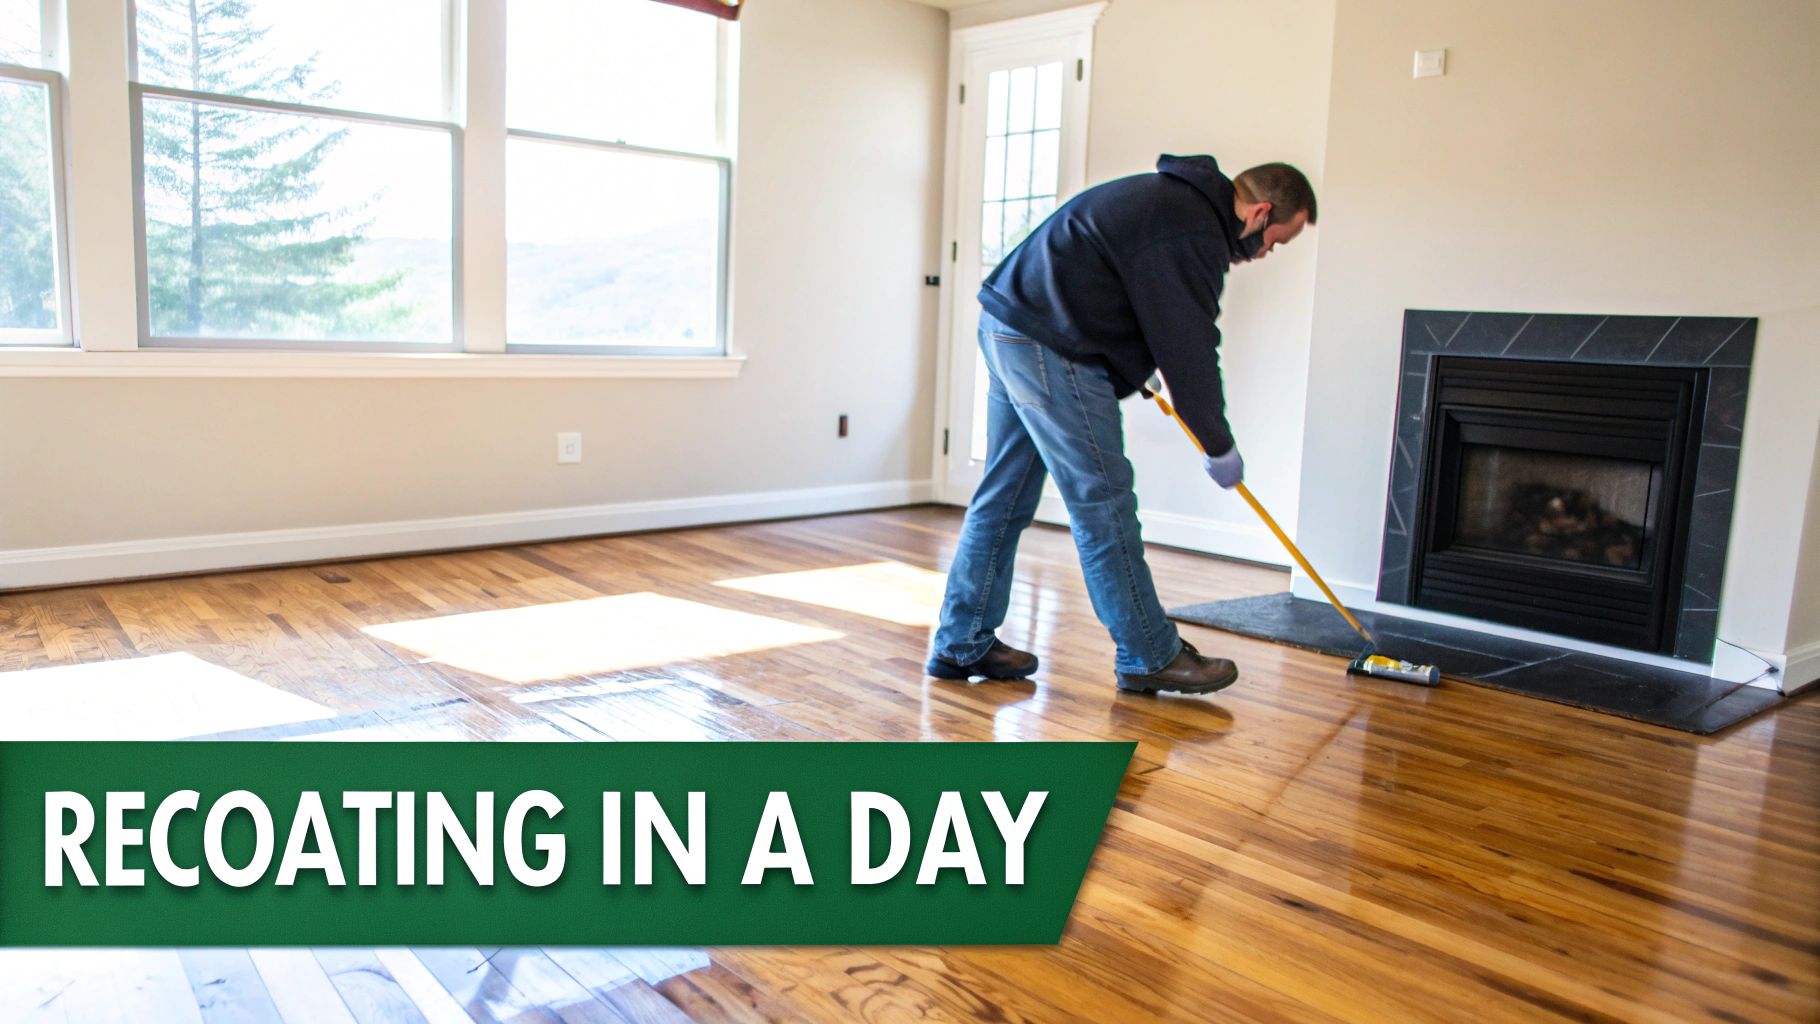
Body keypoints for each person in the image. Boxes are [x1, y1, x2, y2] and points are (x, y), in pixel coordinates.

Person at [926, 156, 1317, 695]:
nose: (1267, 252)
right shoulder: (1192, 228)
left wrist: (1129, 364)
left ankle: (960, 641)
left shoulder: (1173, 204)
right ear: (1260, 213)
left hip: (1010, 325)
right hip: (1050, 342)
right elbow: (1189, 347)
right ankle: (1149, 654)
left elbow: (1131, 299)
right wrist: (1217, 443)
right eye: (1277, 240)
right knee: (1103, 503)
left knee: (1007, 493)